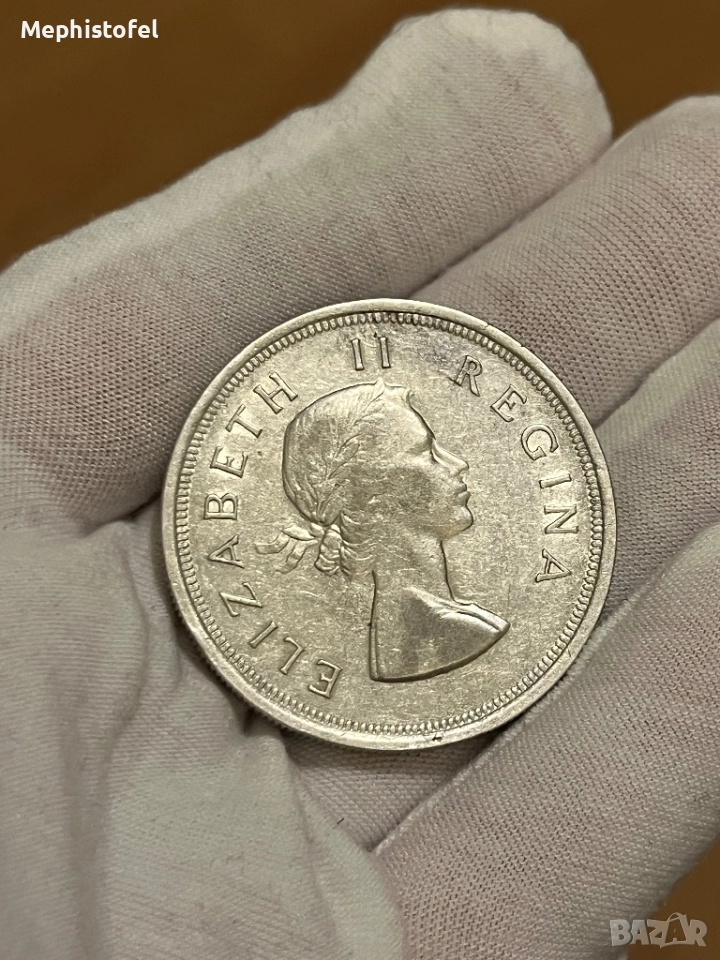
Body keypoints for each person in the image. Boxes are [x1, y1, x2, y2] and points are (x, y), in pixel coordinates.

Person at [1, 8, 719, 960]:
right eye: (425, 451)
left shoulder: (456, 627)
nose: (456, 463)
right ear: (368, 498)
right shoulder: (431, 640)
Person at [258, 378, 509, 681]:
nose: (458, 464)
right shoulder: (449, 628)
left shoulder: (440, 615)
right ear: (373, 492)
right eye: (427, 453)